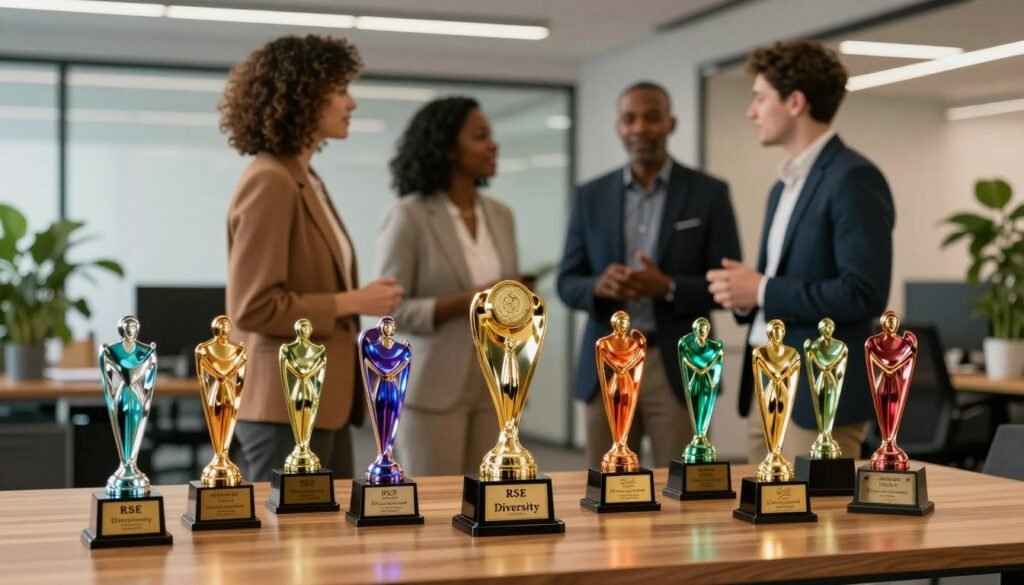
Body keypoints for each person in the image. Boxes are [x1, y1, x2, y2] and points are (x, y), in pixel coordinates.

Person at [221, 35, 403, 482]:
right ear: (302, 97)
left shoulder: (303, 178)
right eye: (340, 90)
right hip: (284, 406)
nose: (351, 102)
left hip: (322, 401)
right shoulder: (271, 181)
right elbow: (255, 306)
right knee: (290, 548)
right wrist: (352, 303)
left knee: (323, 545)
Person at [705, 40, 894, 464]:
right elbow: (784, 283)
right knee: (763, 524)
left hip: (817, 395)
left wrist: (763, 289)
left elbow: (863, 293)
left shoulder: (853, 178)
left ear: (794, 102)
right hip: (766, 381)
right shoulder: (783, 187)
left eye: (759, 98)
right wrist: (746, 291)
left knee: (814, 527)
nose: (751, 111)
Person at [557, 81, 742, 468]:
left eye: (652, 118)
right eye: (630, 119)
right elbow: (567, 282)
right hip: (607, 362)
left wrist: (669, 287)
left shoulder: (709, 193)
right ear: (619, 127)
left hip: (676, 362)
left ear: (670, 124)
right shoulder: (590, 196)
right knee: (604, 485)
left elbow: (729, 285)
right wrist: (598, 285)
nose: (641, 128)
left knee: (680, 488)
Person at [376, 96, 520, 476]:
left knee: (490, 500)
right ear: (447, 148)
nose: (493, 144)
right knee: (434, 504)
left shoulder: (502, 215)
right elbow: (389, 309)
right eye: (480, 136)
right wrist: (467, 302)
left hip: (496, 384)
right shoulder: (409, 215)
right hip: (434, 386)